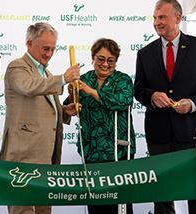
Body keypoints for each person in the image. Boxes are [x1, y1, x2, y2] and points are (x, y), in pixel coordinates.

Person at [134, 0, 196, 213]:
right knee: (162, 193)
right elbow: (139, 90)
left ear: (177, 18)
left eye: (162, 17)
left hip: (192, 133)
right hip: (159, 134)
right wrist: (152, 95)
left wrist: (192, 104)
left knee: (195, 192)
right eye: (155, 18)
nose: (156, 23)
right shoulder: (144, 53)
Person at [0, 22, 80, 214]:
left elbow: (41, 108)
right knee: (23, 210)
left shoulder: (46, 72)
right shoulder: (17, 67)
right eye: (45, 48)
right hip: (23, 159)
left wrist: (63, 111)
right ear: (29, 44)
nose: (49, 54)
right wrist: (63, 79)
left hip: (46, 159)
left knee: (44, 210)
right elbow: (29, 87)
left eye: (53, 49)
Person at [64, 38, 135, 214]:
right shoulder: (84, 78)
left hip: (118, 149)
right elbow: (70, 108)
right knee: (96, 203)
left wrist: (92, 92)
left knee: (121, 204)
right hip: (91, 149)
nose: (105, 64)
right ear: (93, 58)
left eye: (110, 60)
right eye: (100, 59)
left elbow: (122, 101)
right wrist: (73, 95)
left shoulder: (123, 80)